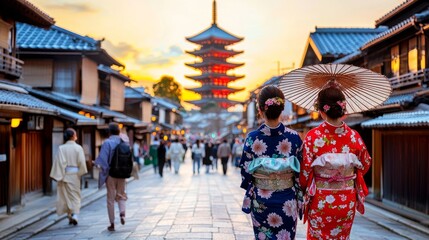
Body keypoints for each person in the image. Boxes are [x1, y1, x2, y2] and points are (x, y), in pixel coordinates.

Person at [300, 84, 371, 239]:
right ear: (342, 108)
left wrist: (305, 187)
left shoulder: (313, 137)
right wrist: (344, 176)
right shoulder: (354, 136)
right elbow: (365, 163)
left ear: (321, 110)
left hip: (321, 199)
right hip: (346, 200)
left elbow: (304, 172)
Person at [239, 85, 303, 240]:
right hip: (287, 200)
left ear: (260, 110)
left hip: (261, 200)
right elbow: (301, 171)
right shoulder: (294, 138)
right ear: (281, 109)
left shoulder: (252, 138)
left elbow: (245, 170)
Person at [94, 123, 128, 232]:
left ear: (109, 132)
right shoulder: (124, 142)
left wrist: (96, 164)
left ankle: (112, 223)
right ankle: (122, 214)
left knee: (110, 199)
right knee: (121, 194)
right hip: (122, 173)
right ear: (119, 132)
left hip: (111, 175)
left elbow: (103, 161)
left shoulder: (107, 143)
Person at [50, 128, 87, 225]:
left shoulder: (61, 148)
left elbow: (59, 162)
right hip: (74, 175)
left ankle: (70, 216)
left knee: (66, 197)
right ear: (73, 136)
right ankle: (74, 215)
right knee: (75, 196)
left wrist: (58, 175)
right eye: (75, 134)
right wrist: (80, 173)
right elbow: (81, 163)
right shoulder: (78, 148)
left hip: (64, 175)